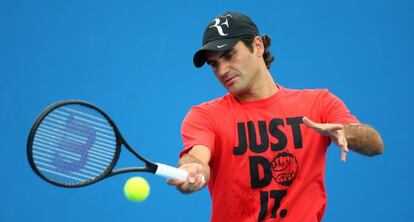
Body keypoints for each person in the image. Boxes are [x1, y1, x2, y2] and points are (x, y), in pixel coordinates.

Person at [168, 11, 384, 222]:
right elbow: (197, 157)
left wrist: (347, 132)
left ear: (258, 46)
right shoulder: (205, 115)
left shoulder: (318, 103)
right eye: (214, 64)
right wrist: (193, 169)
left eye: (229, 55)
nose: (222, 70)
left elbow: (375, 144)